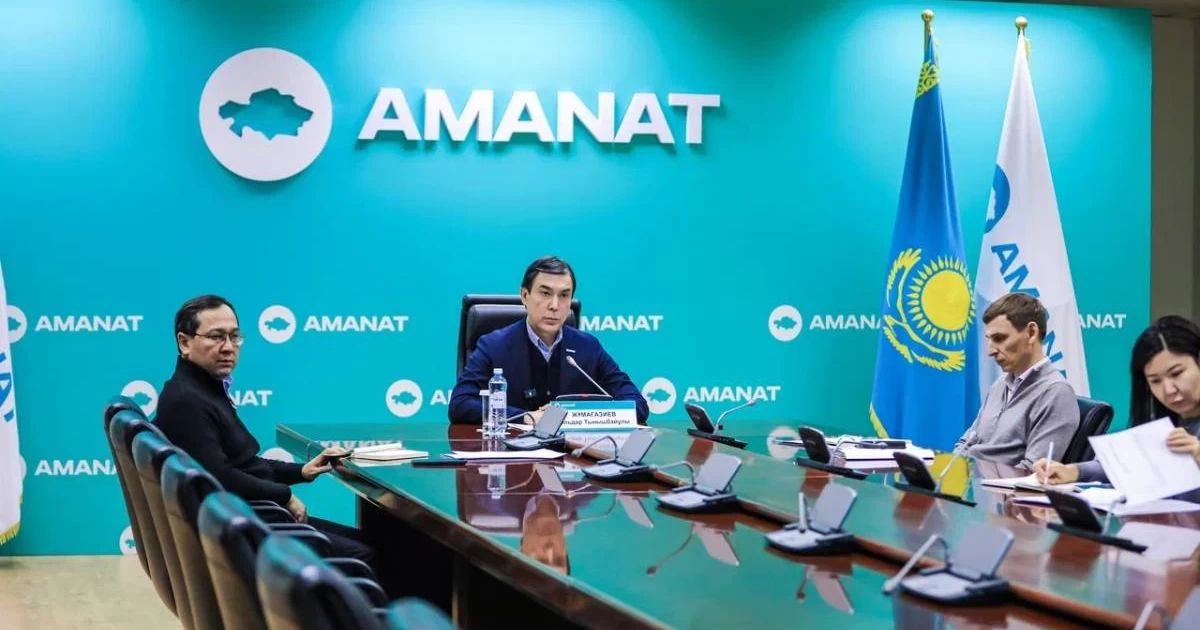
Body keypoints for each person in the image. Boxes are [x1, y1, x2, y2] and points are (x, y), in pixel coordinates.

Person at [154, 295, 375, 565]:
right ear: (184, 342)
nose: (228, 347)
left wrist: (301, 471)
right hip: (247, 528)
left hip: (256, 516)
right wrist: (284, 494)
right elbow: (219, 478)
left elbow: (243, 463)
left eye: (234, 337)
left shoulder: (204, 388)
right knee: (367, 555)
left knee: (373, 545)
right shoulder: (186, 401)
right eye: (216, 337)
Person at [448, 255, 649, 424]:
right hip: (513, 455)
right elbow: (460, 404)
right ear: (524, 295)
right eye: (545, 293)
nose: (554, 305)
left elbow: (637, 404)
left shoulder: (587, 347)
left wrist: (580, 417)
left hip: (572, 455)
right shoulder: (494, 346)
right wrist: (526, 417)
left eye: (564, 295)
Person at [1035, 316, 1200, 502]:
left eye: (1177, 373)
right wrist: (1071, 471)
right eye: (1155, 381)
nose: (1169, 390)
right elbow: (1125, 466)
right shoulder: (1163, 422)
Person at [954, 292, 1078, 468]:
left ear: (1031, 333)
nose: (990, 351)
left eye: (999, 338)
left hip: (996, 485)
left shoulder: (1056, 392)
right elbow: (965, 443)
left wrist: (974, 479)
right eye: (989, 340)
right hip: (972, 481)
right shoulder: (999, 385)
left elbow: (1031, 471)